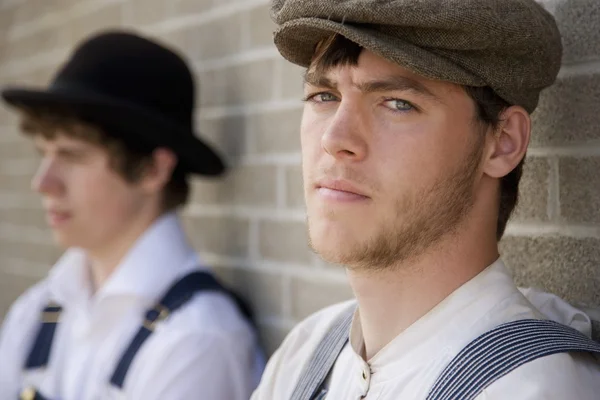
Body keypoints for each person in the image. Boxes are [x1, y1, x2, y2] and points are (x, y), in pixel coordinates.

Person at [252, 0, 600, 399]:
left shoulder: (530, 388)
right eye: (323, 96)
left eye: (399, 103)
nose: (334, 139)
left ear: (502, 143)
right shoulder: (306, 352)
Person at [0, 30, 264, 400]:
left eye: (72, 157)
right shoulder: (38, 310)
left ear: (151, 171)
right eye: (43, 154)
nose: (42, 183)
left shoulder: (197, 338)